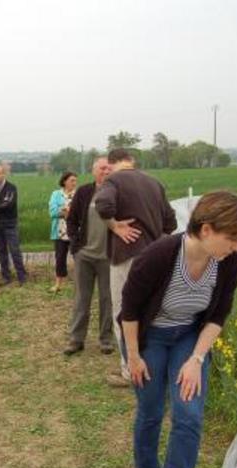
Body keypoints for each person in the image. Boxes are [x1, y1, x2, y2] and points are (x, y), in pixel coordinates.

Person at [122, 191, 237, 468]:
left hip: (188, 337)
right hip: (148, 338)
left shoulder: (228, 262)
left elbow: (218, 315)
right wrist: (133, 356)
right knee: (152, 408)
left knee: (189, 416)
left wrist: (196, 360)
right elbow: (129, 312)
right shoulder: (158, 256)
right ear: (206, 229)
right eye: (233, 238)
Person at [95, 148, 177, 387]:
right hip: (155, 258)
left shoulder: (113, 181)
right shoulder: (154, 183)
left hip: (127, 257)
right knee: (152, 312)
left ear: (110, 165)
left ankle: (130, 371)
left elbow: (103, 205)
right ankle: (155, 367)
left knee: (124, 313)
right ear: (132, 162)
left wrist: (114, 226)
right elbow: (170, 222)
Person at [63, 158, 115, 356]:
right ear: (94, 171)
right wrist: (76, 248)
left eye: (109, 169)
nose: (106, 171)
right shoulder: (84, 192)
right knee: (81, 299)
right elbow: (72, 220)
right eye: (102, 168)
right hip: (85, 255)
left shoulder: (117, 193)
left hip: (108, 257)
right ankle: (76, 340)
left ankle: (106, 340)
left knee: (107, 299)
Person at [0, 165, 27, 286]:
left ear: (4, 174)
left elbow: (8, 205)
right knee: (1, 251)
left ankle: (21, 276)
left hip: (10, 225)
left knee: (15, 250)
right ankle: (6, 276)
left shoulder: (11, 188)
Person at [48, 171, 78, 292]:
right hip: (59, 233)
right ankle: (58, 284)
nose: (74, 183)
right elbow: (52, 212)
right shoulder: (56, 194)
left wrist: (68, 212)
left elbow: (81, 212)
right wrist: (66, 212)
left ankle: (80, 283)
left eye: (75, 180)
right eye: (72, 180)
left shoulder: (78, 194)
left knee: (78, 257)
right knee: (60, 258)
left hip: (75, 232)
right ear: (64, 181)